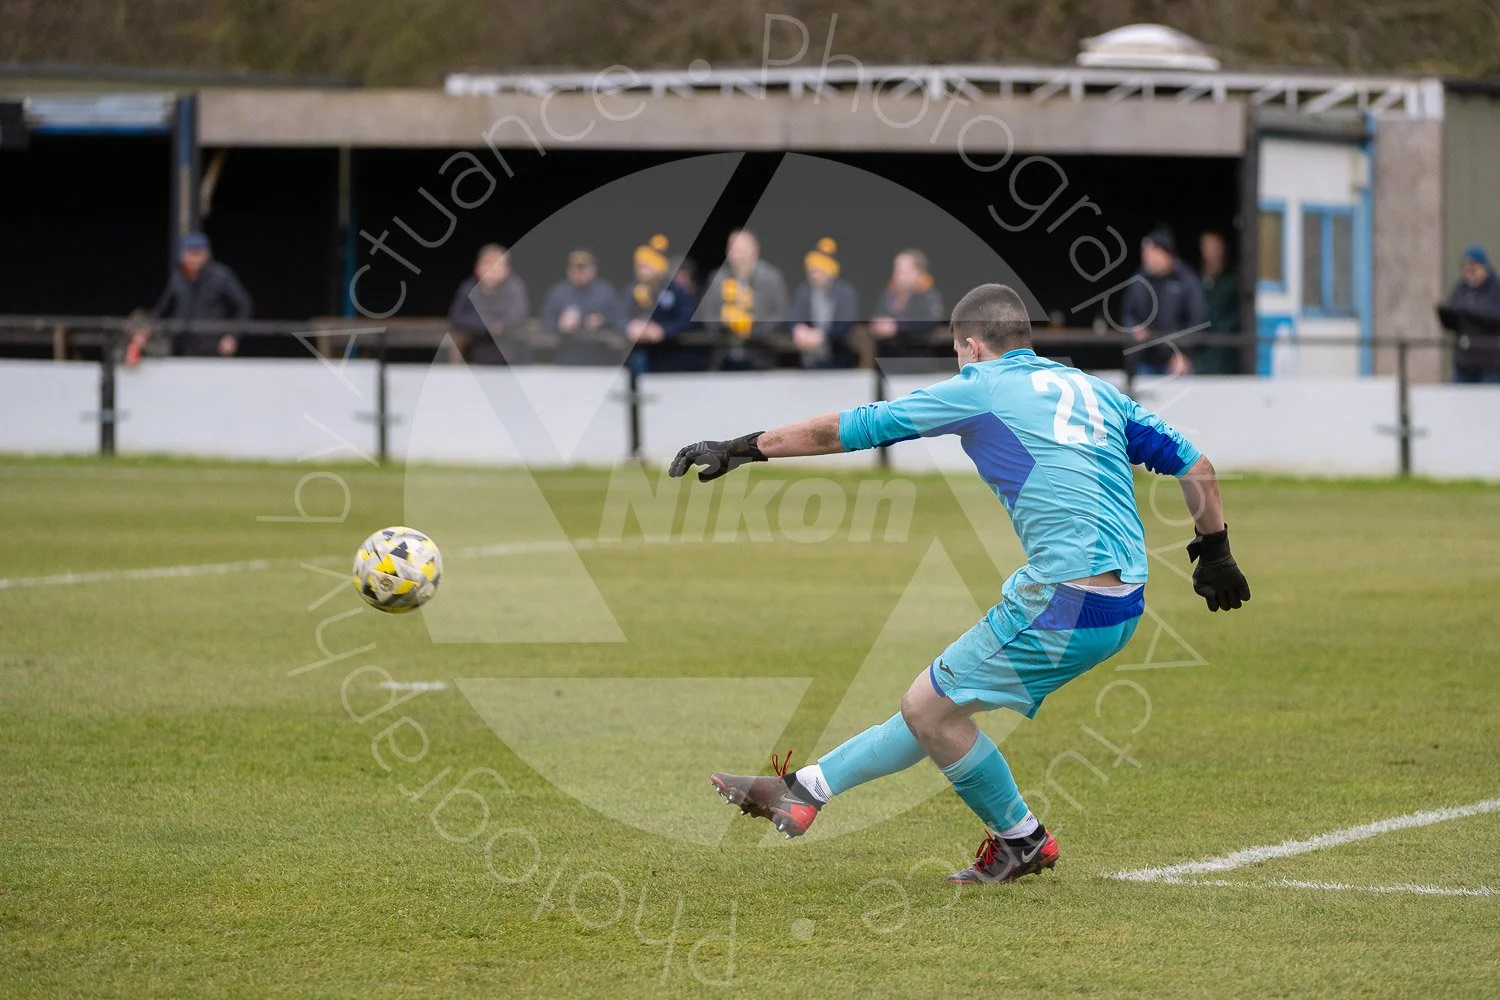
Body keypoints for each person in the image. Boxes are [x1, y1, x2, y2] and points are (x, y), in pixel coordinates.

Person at [669, 283, 1249, 885]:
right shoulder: (1092, 389)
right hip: (1124, 601)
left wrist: (743, 448)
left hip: (1065, 599)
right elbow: (1196, 467)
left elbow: (853, 428)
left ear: (971, 346)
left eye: (956, 354)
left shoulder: (981, 386)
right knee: (938, 706)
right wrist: (1216, 551)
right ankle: (803, 791)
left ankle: (1021, 841)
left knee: (929, 709)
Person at [1118, 226, 1207, 377]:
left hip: (1176, 363)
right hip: (1144, 360)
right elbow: (1128, 313)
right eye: (1144, 252)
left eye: (1151, 252)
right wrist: (1134, 327)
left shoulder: (1186, 280)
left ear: (1165, 253)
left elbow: (1197, 320)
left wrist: (1183, 354)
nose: (1146, 257)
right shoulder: (1139, 280)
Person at [149, 231, 253, 357]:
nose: (193, 258)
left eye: (197, 253)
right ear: (182, 254)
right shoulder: (178, 278)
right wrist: (145, 330)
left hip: (212, 349)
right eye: (190, 253)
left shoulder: (221, 276)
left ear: (207, 254)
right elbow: (161, 310)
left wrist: (232, 337)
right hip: (180, 348)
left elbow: (244, 306)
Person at [699, 229, 789, 370]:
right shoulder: (717, 278)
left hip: (761, 358)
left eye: (740, 249)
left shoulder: (771, 278)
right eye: (731, 248)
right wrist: (724, 324)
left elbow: (780, 315)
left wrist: (751, 329)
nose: (734, 254)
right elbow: (706, 315)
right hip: (723, 358)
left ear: (754, 250)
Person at [623, 234, 702, 372]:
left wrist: (663, 330)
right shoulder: (631, 290)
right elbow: (618, 315)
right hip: (639, 356)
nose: (641, 270)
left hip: (670, 357)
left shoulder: (675, 290)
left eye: (646, 266)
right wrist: (630, 326)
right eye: (639, 266)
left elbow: (689, 320)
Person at [448, 244, 529, 365]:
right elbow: (456, 317)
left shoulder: (514, 287)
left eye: (497, 265)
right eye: (487, 264)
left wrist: (500, 327)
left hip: (510, 352)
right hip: (476, 348)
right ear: (477, 268)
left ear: (507, 270)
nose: (492, 270)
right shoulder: (468, 287)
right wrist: (487, 325)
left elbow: (517, 316)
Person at [788, 238, 859, 368]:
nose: (815, 275)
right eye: (812, 270)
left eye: (820, 271)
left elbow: (845, 325)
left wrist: (821, 336)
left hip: (838, 355)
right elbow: (794, 316)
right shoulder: (804, 291)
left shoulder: (846, 293)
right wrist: (798, 329)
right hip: (807, 356)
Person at [868, 249, 945, 357]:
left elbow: (929, 324)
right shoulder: (889, 293)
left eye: (901, 271)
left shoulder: (929, 296)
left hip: (917, 359)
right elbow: (879, 314)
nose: (896, 275)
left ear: (917, 272)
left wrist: (897, 327)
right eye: (895, 270)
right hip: (888, 357)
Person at [1445, 245, 1500, 383]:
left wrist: (1469, 312)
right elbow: (1455, 315)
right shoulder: (1460, 289)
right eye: (1466, 268)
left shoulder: (1496, 288)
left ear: (1484, 267)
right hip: (1464, 363)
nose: (1469, 272)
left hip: (1490, 365)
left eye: (1473, 268)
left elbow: (1494, 316)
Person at [541, 249, 624, 336]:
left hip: (597, 344)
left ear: (593, 270)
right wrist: (560, 323)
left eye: (583, 269)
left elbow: (620, 317)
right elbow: (546, 319)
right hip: (567, 344)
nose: (578, 273)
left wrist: (602, 319)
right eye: (574, 269)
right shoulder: (558, 291)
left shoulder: (605, 291)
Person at [1196, 230, 1241, 375]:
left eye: (1215, 248)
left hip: (1223, 352)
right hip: (1201, 351)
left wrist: (1222, 329)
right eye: (1207, 248)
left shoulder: (1231, 282)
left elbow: (1239, 313)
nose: (1211, 253)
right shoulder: (1196, 282)